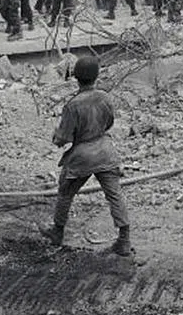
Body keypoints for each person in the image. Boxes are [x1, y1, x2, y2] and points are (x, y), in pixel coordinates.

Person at [39, 56, 132, 257]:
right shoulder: (105, 97)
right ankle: (124, 240)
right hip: (106, 151)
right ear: (96, 76)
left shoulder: (72, 105)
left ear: (76, 78)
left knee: (65, 192)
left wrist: (56, 136)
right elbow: (109, 123)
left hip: (82, 156)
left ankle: (57, 232)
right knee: (115, 194)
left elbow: (63, 138)